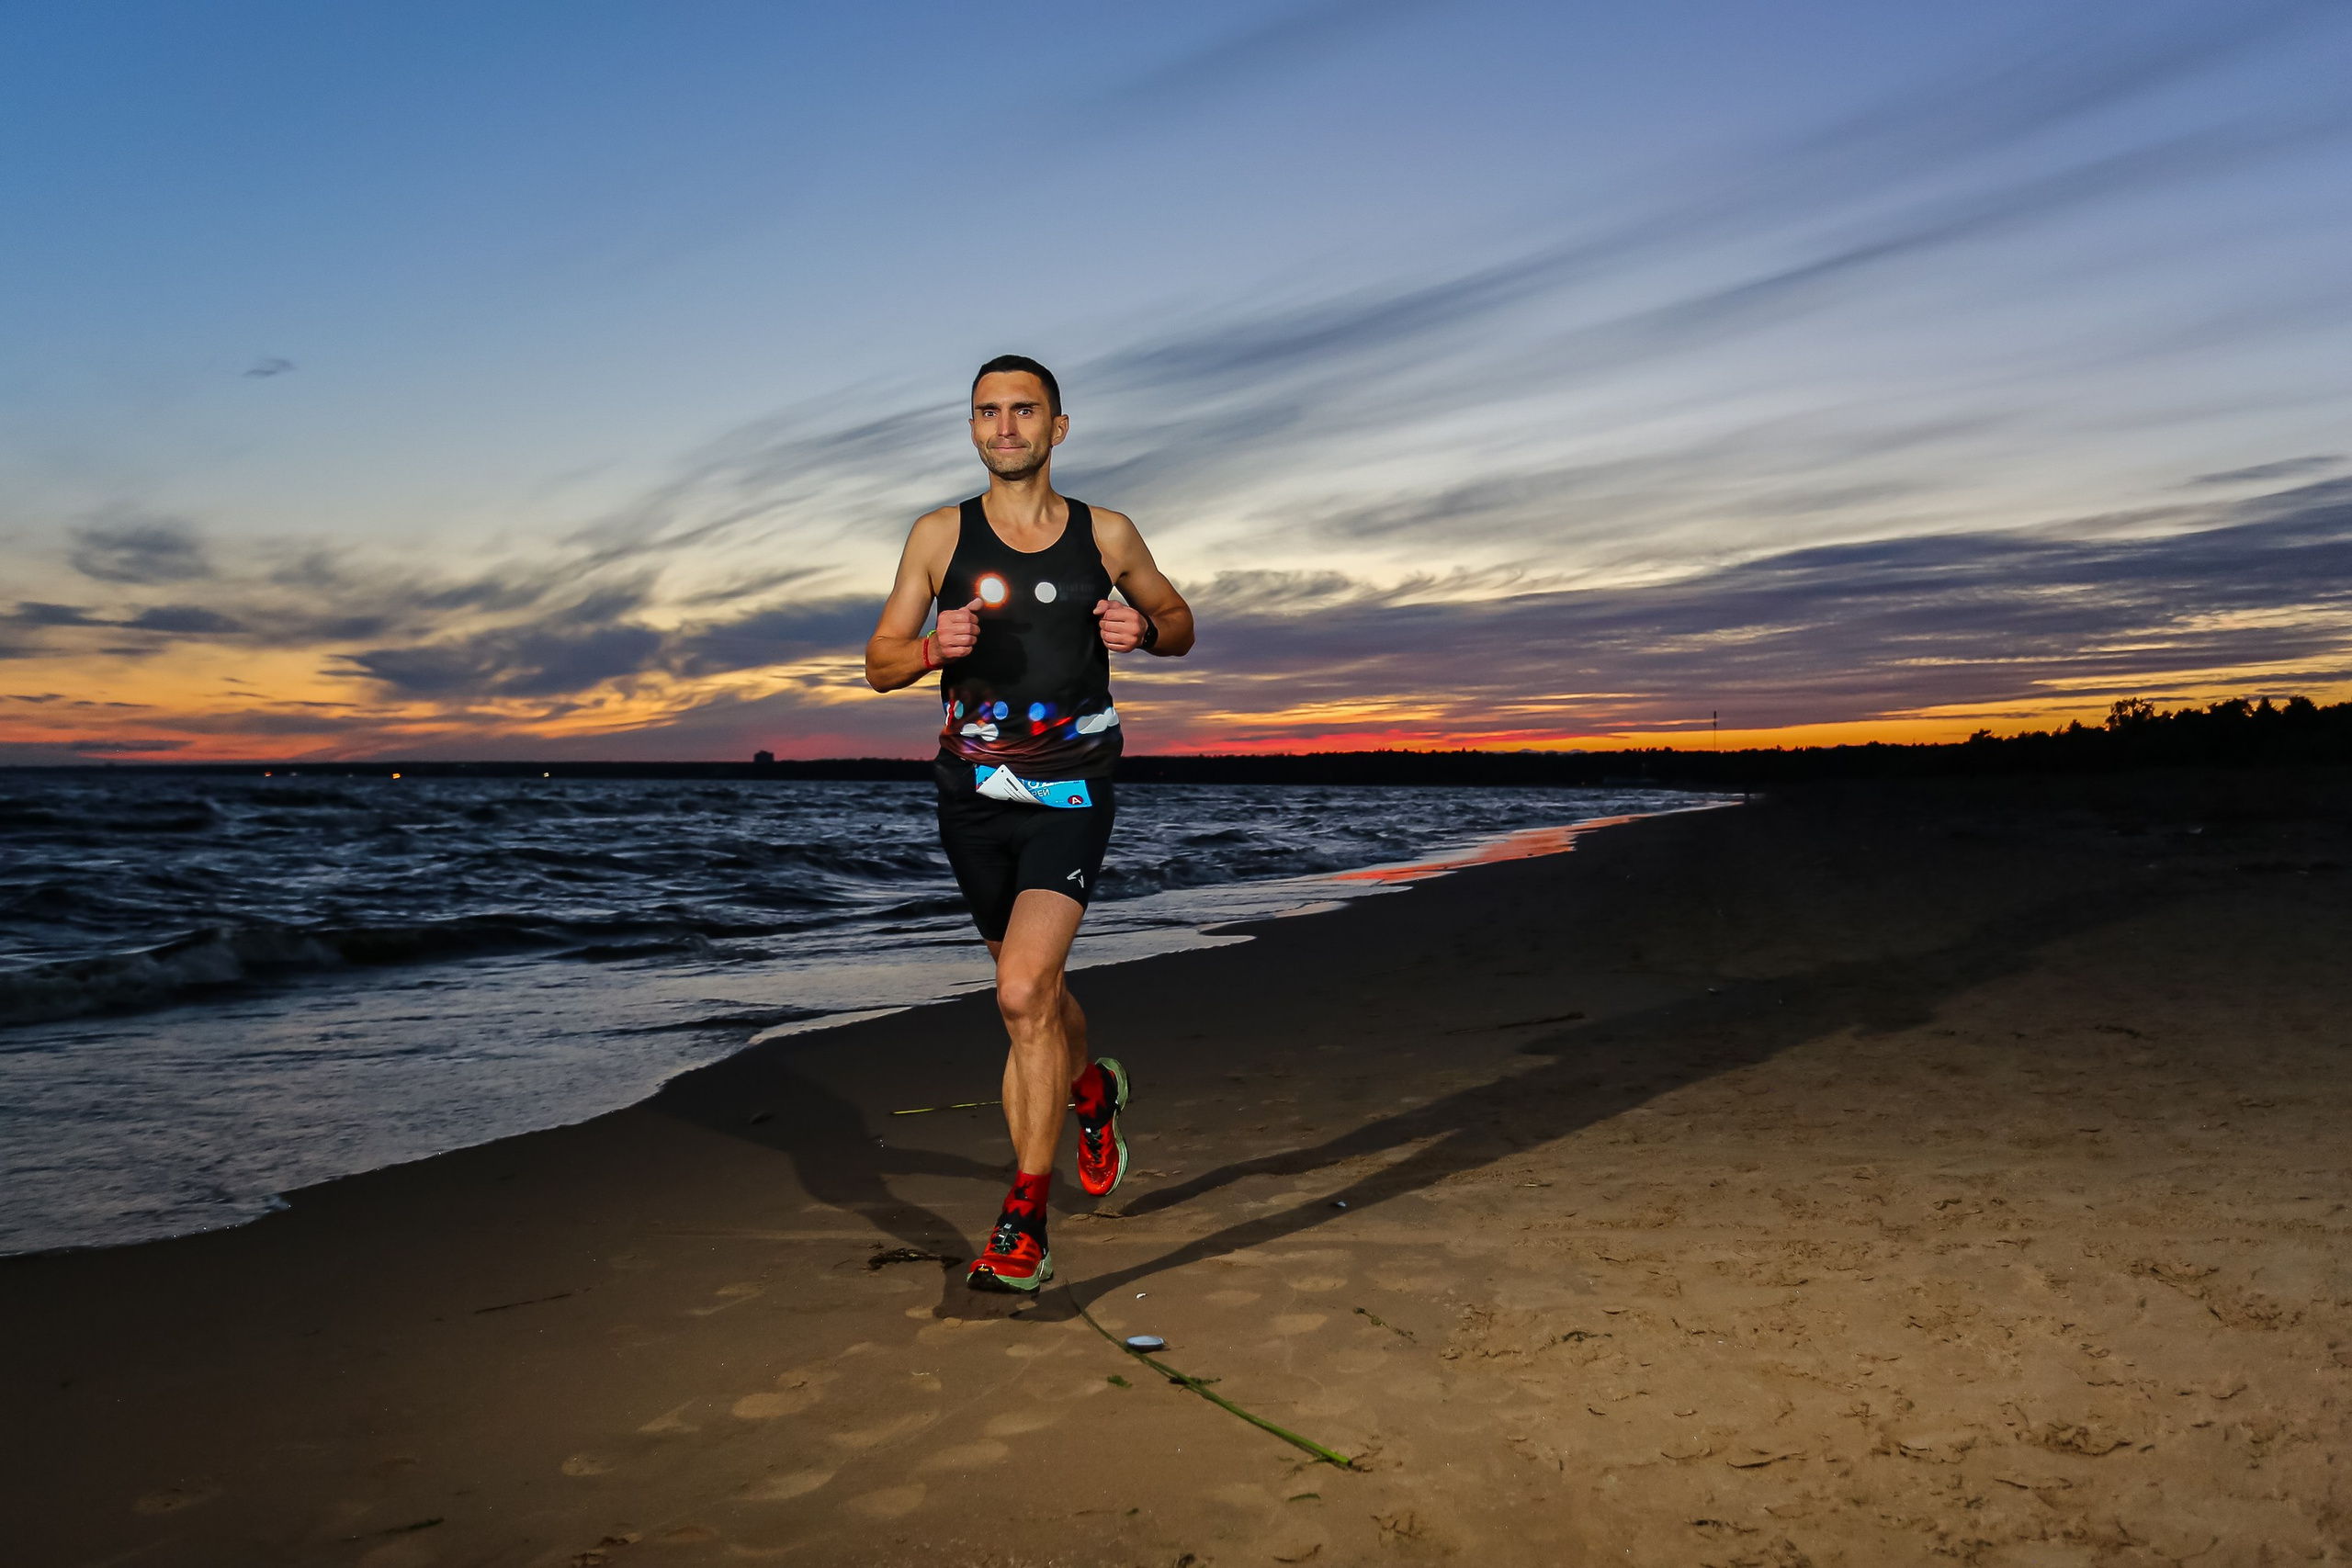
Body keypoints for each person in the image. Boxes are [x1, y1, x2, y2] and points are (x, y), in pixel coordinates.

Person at [864, 355, 1195, 1292]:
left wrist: (1146, 632)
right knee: (1036, 997)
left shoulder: (1106, 532)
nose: (1004, 427)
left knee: (1018, 995)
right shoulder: (938, 535)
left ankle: (1025, 1224)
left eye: (1023, 410)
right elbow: (879, 664)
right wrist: (930, 646)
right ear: (972, 427)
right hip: (970, 802)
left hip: (1071, 791)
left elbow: (1178, 619)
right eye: (987, 412)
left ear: (1058, 426)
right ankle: (1092, 1090)